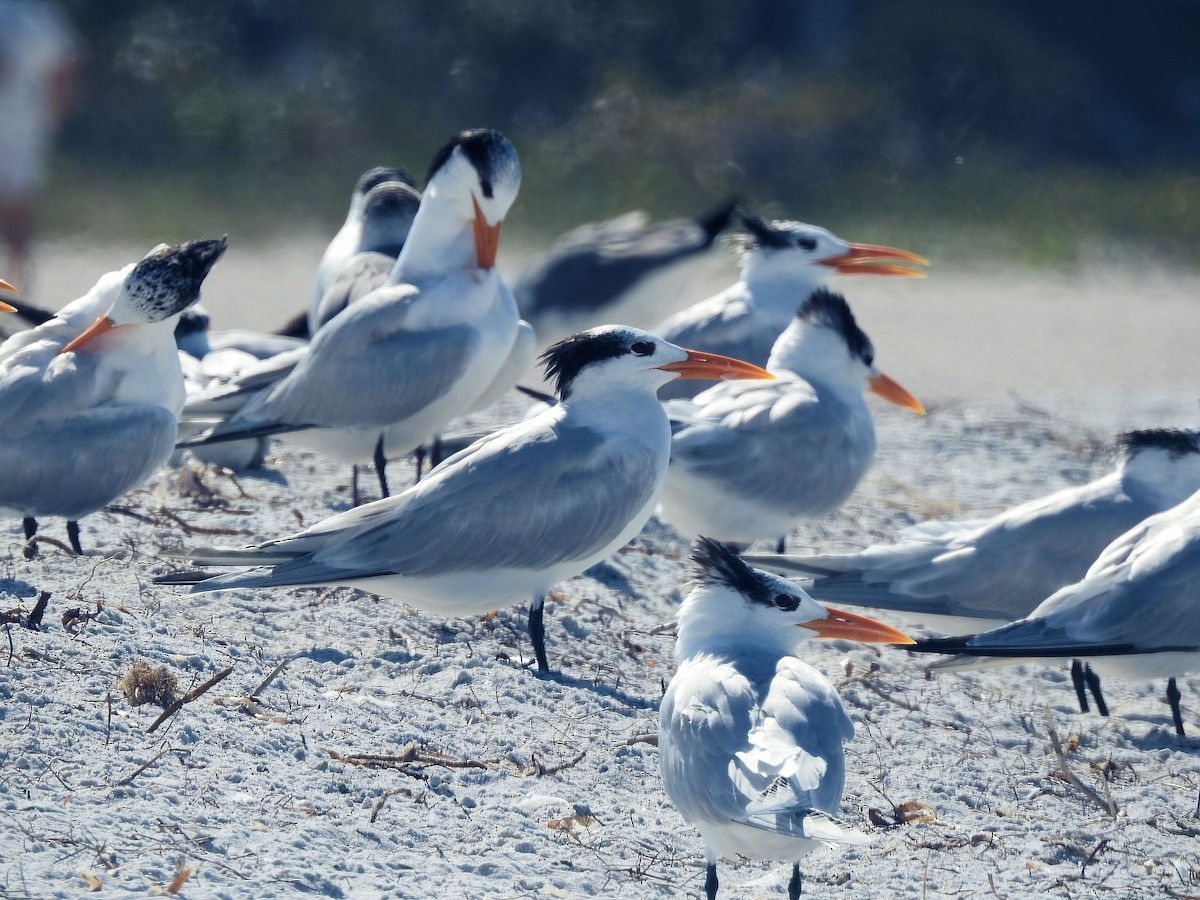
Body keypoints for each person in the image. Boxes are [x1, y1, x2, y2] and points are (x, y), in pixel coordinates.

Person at [0, 0, 78, 292]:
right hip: (24, 125)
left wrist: (53, 117)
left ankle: (18, 281)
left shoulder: (30, 13)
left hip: (21, 125)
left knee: (18, 204)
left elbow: (62, 64)